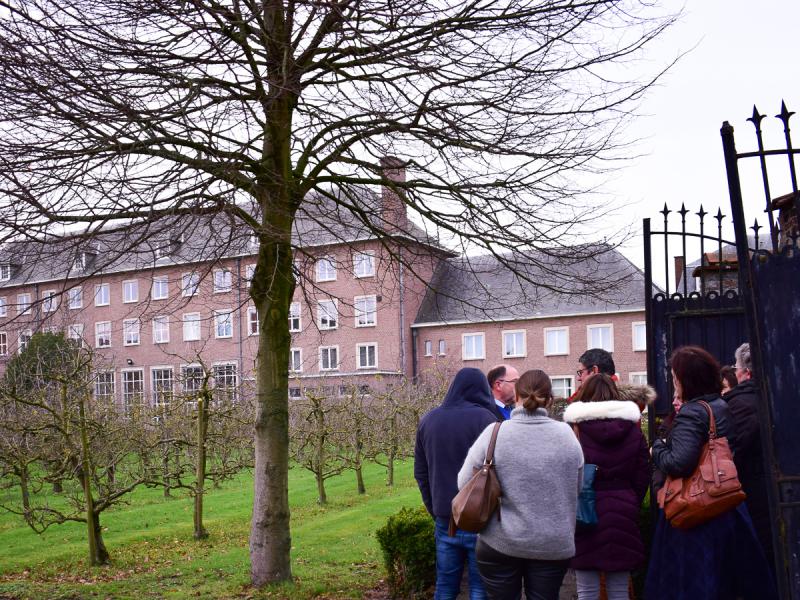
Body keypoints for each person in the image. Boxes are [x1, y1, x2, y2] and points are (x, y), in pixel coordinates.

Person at [645, 345, 777, 600]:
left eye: (675, 377)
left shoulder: (692, 413)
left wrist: (657, 449)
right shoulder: (720, 405)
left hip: (695, 511)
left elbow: (678, 463)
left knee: (693, 585)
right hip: (724, 503)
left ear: (686, 379)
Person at [458, 369, 583, 600]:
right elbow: (576, 487)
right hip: (552, 542)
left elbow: (464, 482)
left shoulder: (494, 432)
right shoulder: (567, 435)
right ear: (551, 399)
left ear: (516, 396)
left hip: (500, 541)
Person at [563, 374, 649, 600]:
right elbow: (643, 473)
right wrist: (630, 499)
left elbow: (566, 474)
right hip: (623, 509)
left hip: (585, 511)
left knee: (587, 590)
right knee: (620, 588)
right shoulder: (632, 429)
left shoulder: (574, 431)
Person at [414, 368, 497, 600]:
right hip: (480, 519)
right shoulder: (487, 420)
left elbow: (420, 473)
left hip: (445, 517)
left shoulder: (428, 420)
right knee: (480, 588)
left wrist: (435, 508)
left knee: (445, 587)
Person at [724, 343, 774, 566]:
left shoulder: (740, 404)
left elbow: (735, 450)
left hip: (753, 492)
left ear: (745, 372)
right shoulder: (778, 396)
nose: (734, 371)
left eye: (736, 367)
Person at [575, 348, 656, 412]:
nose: (578, 378)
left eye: (581, 372)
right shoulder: (631, 403)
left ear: (594, 370)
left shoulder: (589, 404)